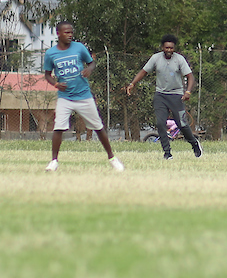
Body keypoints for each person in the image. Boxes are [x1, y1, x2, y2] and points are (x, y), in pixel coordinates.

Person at [42, 21, 124, 172]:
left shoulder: (79, 47)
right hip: (65, 98)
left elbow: (92, 63)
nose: (70, 35)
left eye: (71, 32)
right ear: (58, 34)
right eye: (66, 32)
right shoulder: (51, 53)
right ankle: (54, 161)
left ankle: (112, 159)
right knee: (59, 127)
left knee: (98, 127)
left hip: (84, 96)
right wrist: (55, 84)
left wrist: (89, 70)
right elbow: (47, 75)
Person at [126, 34, 203, 160]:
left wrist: (187, 92)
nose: (169, 50)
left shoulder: (179, 59)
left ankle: (194, 144)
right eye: (166, 48)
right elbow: (143, 71)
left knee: (182, 124)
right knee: (160, 123)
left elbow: (190, 76)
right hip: (160, 95)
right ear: (162, 47)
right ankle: (167, 153)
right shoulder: (156, 58)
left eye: (171, 48)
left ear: (174, 48)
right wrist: (132, 84)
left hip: (177, 96)